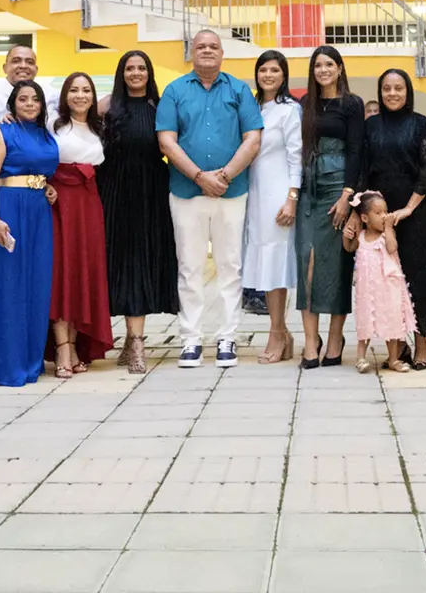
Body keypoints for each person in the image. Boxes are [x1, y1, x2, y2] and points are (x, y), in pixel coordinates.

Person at [159, 31, 264, 369]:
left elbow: (252, 139)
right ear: (191, 53)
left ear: (222, 53)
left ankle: (227, 337)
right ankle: (190, 338)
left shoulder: (239, 90)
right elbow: (167, 142)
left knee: (230, 267)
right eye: (200, 46)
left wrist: (225, 176)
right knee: (189, 267)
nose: (206, 51)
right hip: (186, 192)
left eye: (213, 47)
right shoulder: (174, 91)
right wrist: (200, 177)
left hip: (231, 192)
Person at [0, 81, 59, 386]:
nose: (29, 103)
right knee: (8, 286)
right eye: (22, 98)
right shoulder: (1, 132)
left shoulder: (45, 134)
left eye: (34, 99)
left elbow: (40, 172)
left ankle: (30, 362)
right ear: (12, 103)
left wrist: (46, 186)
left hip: (38, 211)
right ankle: (3, 365)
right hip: (8, 211)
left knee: (36, 286)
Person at [360, 69, 426, 369]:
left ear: (407, 91)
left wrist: (408, 208)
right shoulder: (370, 127)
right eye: (386, 89)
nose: (392, 94)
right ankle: (396, 348)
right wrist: (370, 213)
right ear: (380, 92)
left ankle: (421, 347)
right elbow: (363, 168)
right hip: (378, 217)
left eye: (398, 88)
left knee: (418, 279)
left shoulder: (422, 125)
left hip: (415, 213)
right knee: (388, 283)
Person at [98, 51, 176, 375]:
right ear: (121, 73)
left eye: (141, 67)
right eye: (129, 68)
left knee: (143, 261)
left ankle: (137, 342)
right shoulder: (105, 106)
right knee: (119, 263)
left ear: (149, 72)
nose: (135, 73)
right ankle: (131, 339)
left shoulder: (160, 106)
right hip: (114, 191)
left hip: (150, 193)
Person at [293, 45, 360, 368]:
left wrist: (349, 195)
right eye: (318, 65)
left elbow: (358, 151)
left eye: (329, 64)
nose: (323, 70)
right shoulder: (306, 103)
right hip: (309, 187)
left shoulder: (352, 104)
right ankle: (310, 341)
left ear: (339, 68)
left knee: (336, 264)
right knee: (306, 262)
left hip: (338, 187)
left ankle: (335, 339)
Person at [47, 73, 112, 377]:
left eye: (86, 90)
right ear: (65, 95)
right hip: (60, 203)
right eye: (74, 90)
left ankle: (75, 345)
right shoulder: (53, 125)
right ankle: (61, 347)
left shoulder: (100, 128)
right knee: (63, 274)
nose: (80, 95)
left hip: (89, 203)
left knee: (84, 273)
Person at [241, 50, 301, 364]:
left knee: (276, 264)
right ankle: (282, 332)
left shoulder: (289, 110)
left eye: (274, 70)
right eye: (263, 69)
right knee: (263, 263)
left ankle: (277, 333)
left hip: (279, 194)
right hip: (253, 193)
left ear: (284, 75)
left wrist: (292, 198)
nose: (268, 75)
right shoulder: (250, 107)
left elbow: (296, 156)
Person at [347, 191, 415, 374]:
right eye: (378, 213)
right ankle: (361, 357)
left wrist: (389, 228)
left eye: (385, 212)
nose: (384, 216)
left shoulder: (386, 236)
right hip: (367, 289)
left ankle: (393, 358)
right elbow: (349, 248)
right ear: (364, 218)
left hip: (389, 288)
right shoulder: (360, 237)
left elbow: (392, 248)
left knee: (392, 320)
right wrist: (347, 236)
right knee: (365, 320)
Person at [0, 44, 60, 121]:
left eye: (30, 62)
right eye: (16, 61)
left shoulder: (51, 95)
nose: (23, 66)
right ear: (5, 68)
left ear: (36, 69)